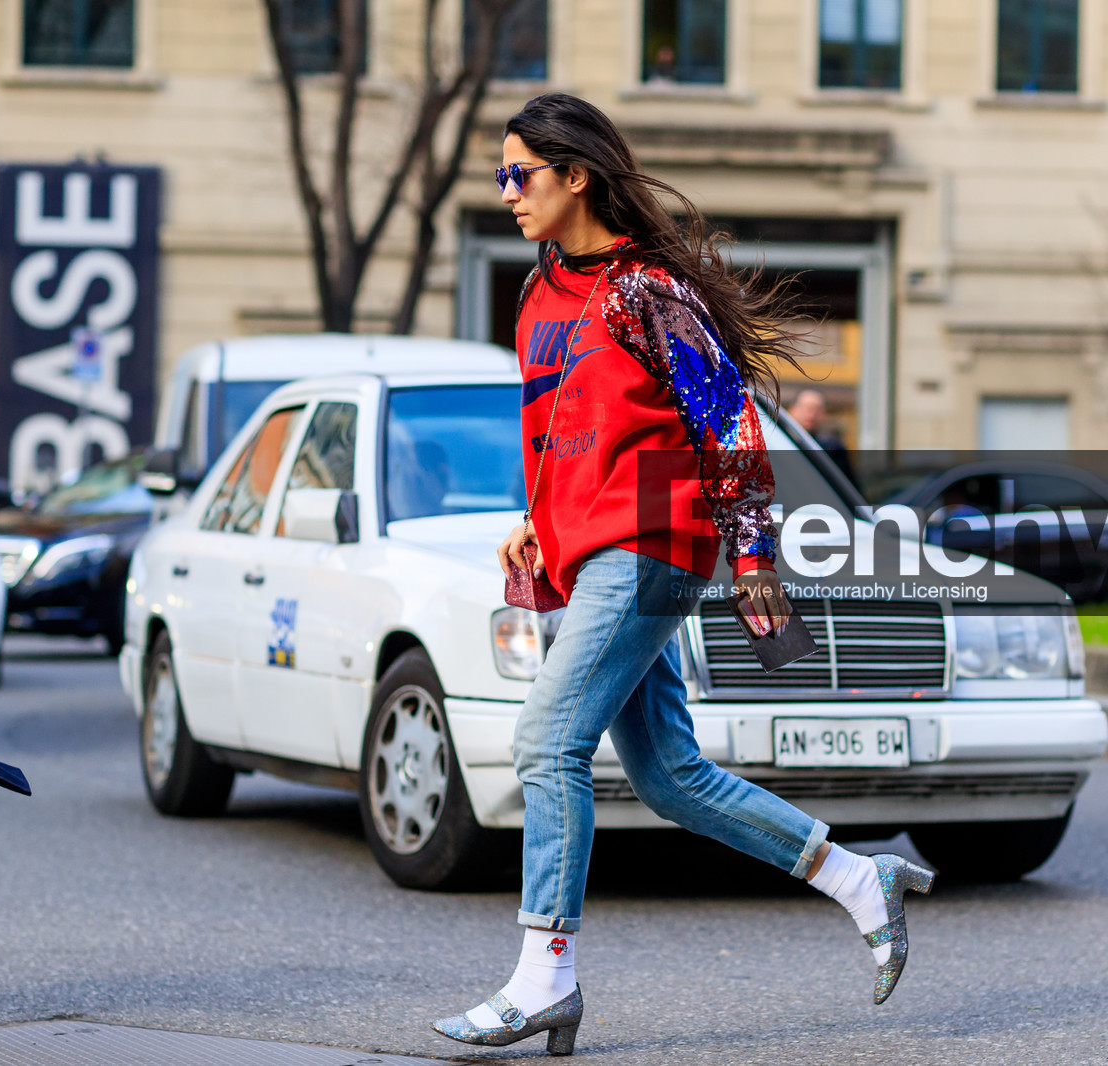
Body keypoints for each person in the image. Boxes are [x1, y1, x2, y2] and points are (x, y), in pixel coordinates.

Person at [429, 93, 934, 1055]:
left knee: (546, 742)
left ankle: (546, 975)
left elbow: (727, 423)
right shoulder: (542, 292)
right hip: (587, 552)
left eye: (519, 174)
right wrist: (533, 519)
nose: (507, 195)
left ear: (576, 175)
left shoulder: (648, 292)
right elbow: (551, 431)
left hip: (652, 544)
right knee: (668, 776)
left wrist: (753, 556)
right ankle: (859, 879)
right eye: (500, 177)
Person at [787, 387, 857, 485]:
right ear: (792, 409)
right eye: (806, 407)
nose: (811, 413)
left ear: (823, 414)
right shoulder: (777, 441)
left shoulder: (832, 448)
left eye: (817, 409)